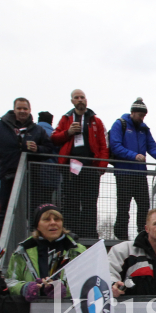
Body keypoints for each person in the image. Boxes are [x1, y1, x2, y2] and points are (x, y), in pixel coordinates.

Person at [51, 89, 108, 238]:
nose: (80, 100)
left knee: (90, 202)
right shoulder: (66, 118)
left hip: (90, 166)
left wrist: (101, 167)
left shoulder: (96, 121)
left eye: (82, 97)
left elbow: (103, 145)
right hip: (71, 166)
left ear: (86, 100)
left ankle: (89, 234)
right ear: (72, 101)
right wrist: (68, 132)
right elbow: (55, 137)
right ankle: (71, 233)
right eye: (77, 97)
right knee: (71, 200)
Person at [0, 97, 54, 232]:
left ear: (30, 110)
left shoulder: (38, 130)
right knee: (7, 207)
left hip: (32, 175)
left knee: (34, 209)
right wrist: (22, 147)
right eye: (19, 108)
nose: (22, 111)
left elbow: (48, 149)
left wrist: (37, 149)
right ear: (14, 109)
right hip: (9, 173)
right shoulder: (0, 126)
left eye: (25, 109)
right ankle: (3, 237)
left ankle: (35, 237)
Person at [4, 204, 86, 301]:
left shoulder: (78, 250)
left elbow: (88, 282)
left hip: (68, 311)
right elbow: (10, 281)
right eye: (47, 219)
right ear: (37, 226)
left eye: (57, 219)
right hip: (31, 311)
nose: (53, 222)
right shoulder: (22, 251)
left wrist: (63, 289)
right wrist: (25, 288)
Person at [109, 98, 156, 241]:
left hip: (140, 173)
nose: (142, 118)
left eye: (144, 116)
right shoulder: (120, 124)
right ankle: (121, 236)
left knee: (144, 204)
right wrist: (133, 156)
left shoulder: (144, 129)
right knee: (123, 206)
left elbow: (153, 148)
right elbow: (115, 145)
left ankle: (142, 234)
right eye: (140, 115)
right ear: (133, 113)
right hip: (124, 172)